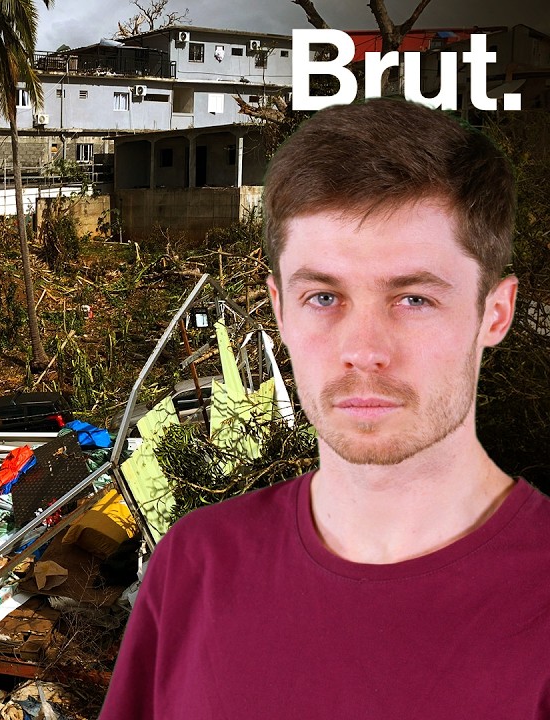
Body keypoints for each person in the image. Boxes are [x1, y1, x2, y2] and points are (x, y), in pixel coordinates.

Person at [99, 98, 550, 718]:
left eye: (414, 298)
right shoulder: (194, 566)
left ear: (493, 314)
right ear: (280, 310)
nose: (362, 352)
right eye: (323, 297)